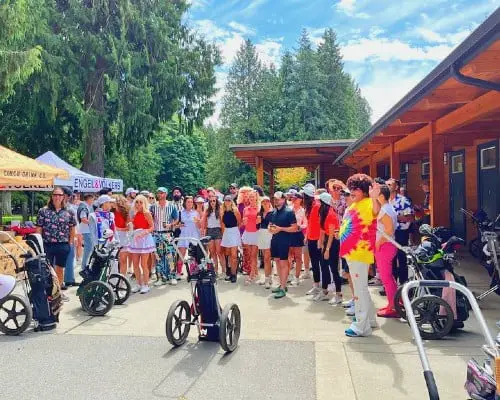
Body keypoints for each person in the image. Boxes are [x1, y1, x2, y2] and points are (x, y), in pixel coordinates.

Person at [340, 174, 381, 337]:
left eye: (356, 189)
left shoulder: (369, 203)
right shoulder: (353, 205)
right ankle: (370, 320)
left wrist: (375, 197)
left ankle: (361, 325)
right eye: (351, 189)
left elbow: (376, 211)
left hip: (360, 252)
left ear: (364, 190)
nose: (352, 192)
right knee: (361, 288)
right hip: (352, 252)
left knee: (360, 290)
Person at [36, 187, 76, 302]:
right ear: (52, 196)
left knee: (60, 269)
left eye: (60, 195)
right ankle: (48, 293)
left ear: (63, 197)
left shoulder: (69, 211)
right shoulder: (43, 211)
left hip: (63, 244)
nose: (57, 197)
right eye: (55, 195)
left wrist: (70, 243)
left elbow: (72, 228)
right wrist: (39, 243)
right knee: (48, 270)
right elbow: (39, 228)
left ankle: (58, 292)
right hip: (47, 244)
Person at [375, 185, 399, 318]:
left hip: (385, 246)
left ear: (382, 196)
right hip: (387, 245)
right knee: (389, 277)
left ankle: (393, 307)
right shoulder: (387, 208)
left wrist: (379, 242)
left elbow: (389, 229)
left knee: (386, 278)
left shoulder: (385, 210)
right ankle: (394, 303)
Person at [315, 192, 343, 305]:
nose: (317, 202)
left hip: (333, 243)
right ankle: (324, 290)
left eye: (319, 201)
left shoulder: (331, 214)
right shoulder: (323, 213)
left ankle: (339, 294)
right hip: (327, 241)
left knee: (334, 269)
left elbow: (331, 234)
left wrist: (327, 250)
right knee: (324, 266)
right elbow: (322, 230)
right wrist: (320, 243)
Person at [269, 191, 297, 299]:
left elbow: (294, 228)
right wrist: (270, 229)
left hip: (285, 241)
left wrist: (281, 229)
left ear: (283, 199)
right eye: (274, 198)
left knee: (283, 263)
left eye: (278, 198)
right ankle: (282, 284)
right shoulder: (274, 212)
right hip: (275, 240)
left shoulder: (289, 212)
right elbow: (271, 225)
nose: (276, 200)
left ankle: (283, 288)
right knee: (277, 261)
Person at [387, 178, 413, 286]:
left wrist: (394, 217)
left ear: (396, 187)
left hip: (401, 233)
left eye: (390, 184)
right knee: (390, 259)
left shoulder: (403, 200)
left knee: (402, 259)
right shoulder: (385, 201)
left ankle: (404, 285)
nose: (387, 186)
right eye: (386, 184)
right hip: (388, 233)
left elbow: (410, 217)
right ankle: (392, 285)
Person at [150, 187, 179, 285]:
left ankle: (172, 276)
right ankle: (160, 278)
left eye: (162, 193)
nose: (160, 195)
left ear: (166, 194)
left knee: (170, 255)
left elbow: (176, 219)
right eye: (158, 193)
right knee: (158, 256)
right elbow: (150, 218)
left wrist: (170, 225)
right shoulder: (153, 206)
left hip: (168, 234)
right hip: (157, 234)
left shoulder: (171, 205)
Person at [129, 194, 155, 294]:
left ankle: (146, 285)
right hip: (136, 240)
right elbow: (135, 225)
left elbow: (152, 227)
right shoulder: (135, 213)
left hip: (145, 240)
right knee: (135, 263)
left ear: (144, 203)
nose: (138, 204)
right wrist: (131, 225)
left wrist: (144, 232)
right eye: (137, 202)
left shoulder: (147, 213)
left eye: (141, 202)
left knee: (143, 264)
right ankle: (138, 284)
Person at [303, 183, 322, 297]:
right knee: (314, 263)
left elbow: (321, 224)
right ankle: (316, 285)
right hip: (311, 238)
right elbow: (310, 223)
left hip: (317, 239)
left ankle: (321, 286)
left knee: (319, 263)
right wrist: (306, 236)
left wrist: (320, 239)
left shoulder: (317, 206)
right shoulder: (310, 207)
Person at [202, 193, 225, 278]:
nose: (212, 202)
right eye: (210, 201)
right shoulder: (207, 211)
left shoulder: (220, 210)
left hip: (218, 231)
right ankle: (215, 271)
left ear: (216, 201)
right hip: (209, 231)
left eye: (214, 201)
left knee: (220, 252)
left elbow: (223, 223)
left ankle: (223, 271)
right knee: (212, 253)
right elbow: (203, 222)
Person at [220, 195, 241, 283]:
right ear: (224, 201)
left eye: (229, 200)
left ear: (231, 201)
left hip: (234, 231)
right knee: (227, 253)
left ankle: (233, 274)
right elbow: (222, 223)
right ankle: (229, 272)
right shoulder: (222, 211)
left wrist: (236, 233)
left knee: (234, 255)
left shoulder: (235, 210)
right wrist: (223, 234)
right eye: (226, 200)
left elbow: (240, 222)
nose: (227, 201)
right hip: (226, 232)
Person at [178, 196, 202, 271]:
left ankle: (193, 271)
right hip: (184, 235)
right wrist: (178, 225)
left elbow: (199, 226)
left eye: (191, 202)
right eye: (188, 202)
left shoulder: (196, 213)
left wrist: (198, 222)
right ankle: (178, 272)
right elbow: (177, 225)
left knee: (193, 255)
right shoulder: (180, 213)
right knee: (181, 254)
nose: (190, 203)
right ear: (185, 203)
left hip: (194, 235)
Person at [241, 190, 260, 284]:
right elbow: (243, 221)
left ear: (256, 197)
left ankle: (251, 275)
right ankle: (255, 271)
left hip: (256, 234)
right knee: (249, 255)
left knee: (253, 255)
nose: (252, 198)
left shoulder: (259, 208)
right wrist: (244, 222)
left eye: (253, 196)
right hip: (247, 233)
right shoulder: (245, 209)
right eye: (250, 197)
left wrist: (259, 221)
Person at [289, 191, 307, 286]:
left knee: (298, 257)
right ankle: (288, 275)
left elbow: (306, 223)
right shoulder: (288, 209)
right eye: (292, 198)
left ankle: (296, 277)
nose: (294, 200)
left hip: (298, 234)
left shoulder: (303, 210)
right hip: (288, 234)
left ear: (300, 200)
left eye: (296, 198)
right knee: (288, 256)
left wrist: (300, 226)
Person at [257, 196, 273, 288]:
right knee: (265, 257)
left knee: (267, 257)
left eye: (267, 202)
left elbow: (274, 224)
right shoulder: (259, 213)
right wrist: (257, 222)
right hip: (261, 233)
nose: (265, 203)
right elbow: (257, 226)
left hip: (269, 234)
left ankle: (267, 278)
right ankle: (269, 277)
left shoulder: (272, 213)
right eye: (263, 202)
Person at [112, 195, 131, 276]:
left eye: (112, 201)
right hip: (113, 237)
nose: (111, 202)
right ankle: (114, 279)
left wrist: (117, 229)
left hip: (123, 237)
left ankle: (122, 280)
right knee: (115, 261)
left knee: (123, 260)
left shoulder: (125, 212)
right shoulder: (110, 212)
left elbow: (128, 228)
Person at [237, 186, 252, 275]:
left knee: (252, 250)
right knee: (246, 250)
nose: (246, 195)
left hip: (253, 229)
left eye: (247, 193)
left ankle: (252, 268)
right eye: (244, 193)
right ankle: (246, 268)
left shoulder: (253, 204)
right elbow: (238, 219)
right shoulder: (240, 205)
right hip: (243, 229)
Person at [77, 194, 95, 269]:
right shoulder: (84, 207)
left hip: (86, 230)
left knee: (89, 247)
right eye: (93, 199)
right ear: (89, 198)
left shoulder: (84, 206)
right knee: (88, 247)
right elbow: (83, 219)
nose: (93, 201)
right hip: (86, 230)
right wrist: (93, 223)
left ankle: (85, 264)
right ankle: (84, 265)